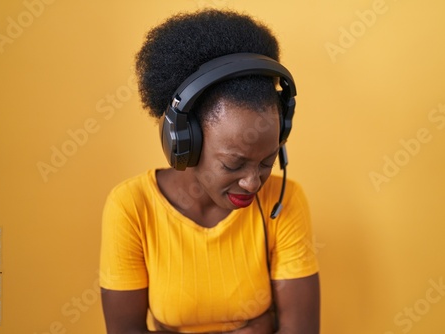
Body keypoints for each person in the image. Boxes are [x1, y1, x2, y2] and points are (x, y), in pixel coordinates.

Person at [99, 9, 320, 334]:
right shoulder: (131, 207)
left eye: (267, 161)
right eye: (234, 164)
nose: (252, 182)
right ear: (184, 143)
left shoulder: (282, 202)